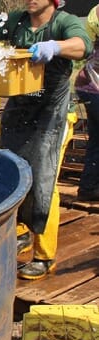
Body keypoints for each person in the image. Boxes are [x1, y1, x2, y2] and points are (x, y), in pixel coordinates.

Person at [0, 0, 92, 280]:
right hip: (19, 111)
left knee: (44, 182)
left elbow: (83, 45)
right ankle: (23, 233)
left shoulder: (64, 21)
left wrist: (55, 47)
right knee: (13, 175)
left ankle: (44, 256)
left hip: (53, 115)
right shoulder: (16, 21)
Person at [74, 4, 99, 202]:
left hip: (86, 85)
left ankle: (88, 188)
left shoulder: (93, 12)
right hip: (93, 86)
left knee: (96, 139)